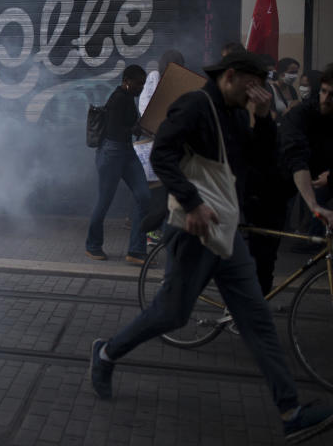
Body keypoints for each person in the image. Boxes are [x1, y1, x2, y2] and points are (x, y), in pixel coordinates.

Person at [88, 51, 333, 444]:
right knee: (170, 314)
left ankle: (291, 411)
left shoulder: (237, 114)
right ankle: (106, 353)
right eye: (254, 82)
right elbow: (164, 152)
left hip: (225, 231)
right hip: (193, 230)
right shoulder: (195, 106)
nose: (260, 89)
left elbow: (257, 160)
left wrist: (266, 118)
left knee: (256, 317)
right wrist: (191, 201)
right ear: (232, 76)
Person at [85, 65, 151, 264]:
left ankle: (136, 251)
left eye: (143, 84)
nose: (141, 87)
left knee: (144, 196)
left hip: (126, 152)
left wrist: (136, 128)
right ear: (127, 81)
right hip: (111, 153)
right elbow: (114, 130)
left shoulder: (128, 97)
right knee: (104, 201)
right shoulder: (117, 99)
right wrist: (134, 128)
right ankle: (93, 245)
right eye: (139, 83)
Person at [137, 50, 185, 245]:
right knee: (156, 190)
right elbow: (145, 107)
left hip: (169, 143)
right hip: (154, 142)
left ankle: (162, 233)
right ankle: (152, 234)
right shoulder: (155, 77)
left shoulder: (177, 82)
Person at [280, 63, 333, 235]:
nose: (326, 99)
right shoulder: (301, 113)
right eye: (324, 91)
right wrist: (314, 206)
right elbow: (296, 156)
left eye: (332, 94)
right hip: (282, 177)